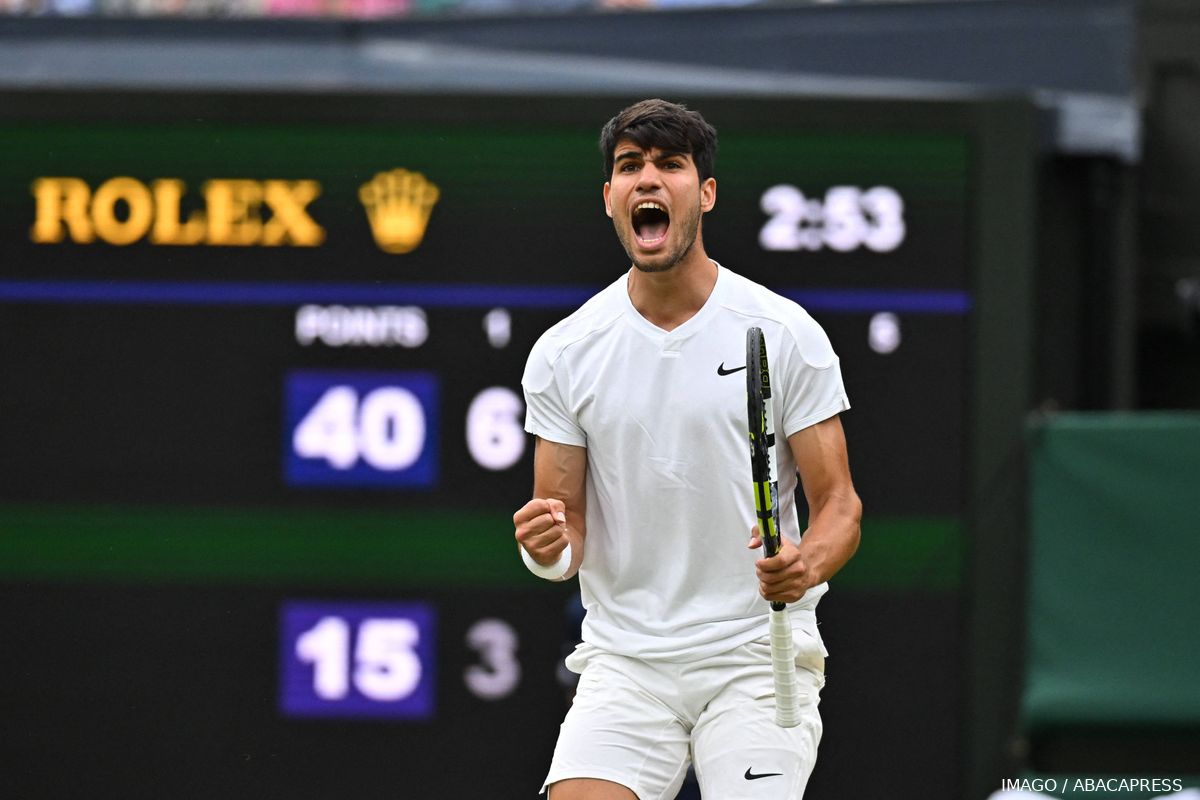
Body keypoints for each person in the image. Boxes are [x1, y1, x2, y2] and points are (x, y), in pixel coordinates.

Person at [512, 98, 862, 800]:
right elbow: (564, 532)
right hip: (626, 663)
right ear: (609, 196)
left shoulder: (784, 333)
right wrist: (543, 546)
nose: (649, 180)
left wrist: (804, 563)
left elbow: (839, 507)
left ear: (704, 193)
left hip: (756, 660)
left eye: (670, 165)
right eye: (629, 166)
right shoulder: (564, 353)